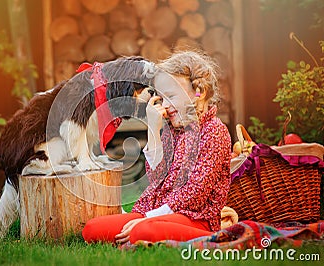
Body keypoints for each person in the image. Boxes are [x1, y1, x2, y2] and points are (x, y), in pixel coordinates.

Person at [82, 50, 232, 245]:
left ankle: (152, 232)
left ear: (199, 92)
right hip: (158, 213)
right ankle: (143, 231)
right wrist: (153, 130)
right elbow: (156, 178)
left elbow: (194, 195)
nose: (165, 105)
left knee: (142, 231)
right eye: (161, 98)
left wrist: (147, 218)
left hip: (195, 220)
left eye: (171, 96)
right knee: (92, 229)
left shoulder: (214, 131)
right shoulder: (172, 131)